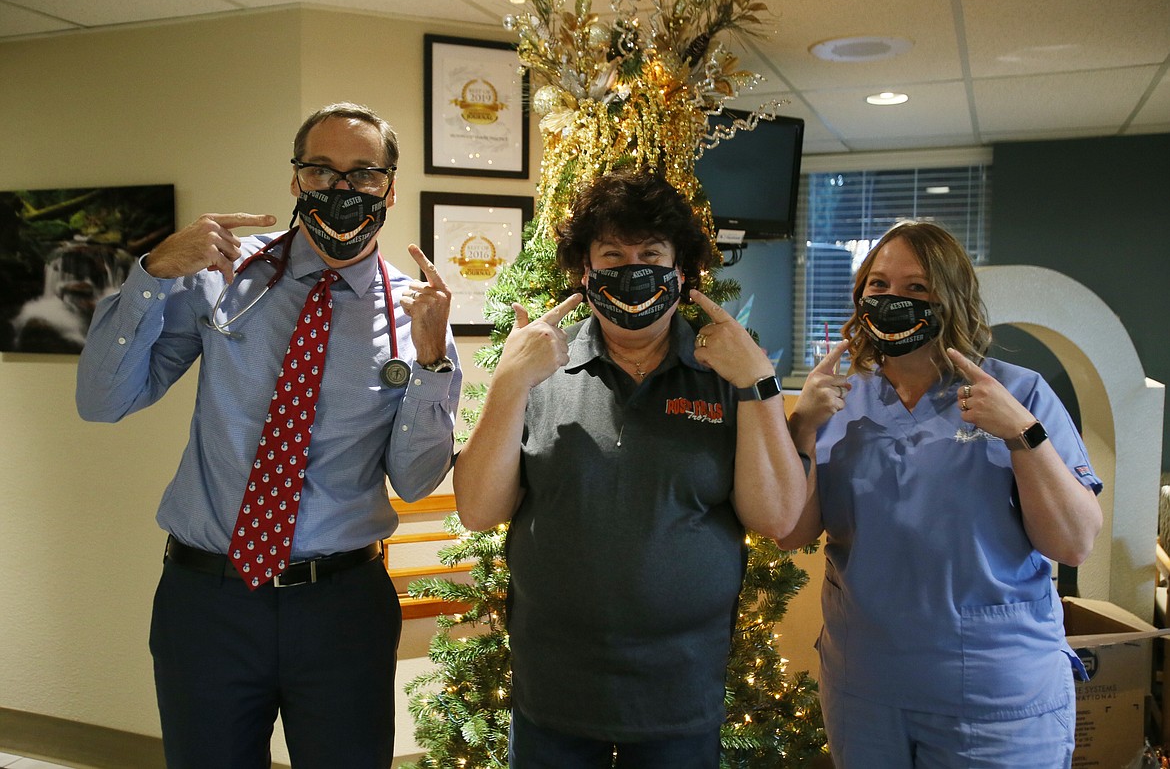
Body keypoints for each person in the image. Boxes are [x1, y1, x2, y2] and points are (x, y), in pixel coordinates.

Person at [76, 102, 461, 769]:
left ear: (390, 189)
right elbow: (102, 402)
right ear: (295, 180)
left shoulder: (416, 313)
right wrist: (154, 274)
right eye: (322, 170)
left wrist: (431, 366)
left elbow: (417, 478)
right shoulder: (223, 279)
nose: (342, 190)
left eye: (363, 175)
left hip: (342, 607)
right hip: (209, 604)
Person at [452, 169, 807, 769]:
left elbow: (775, 516)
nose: (632, 269)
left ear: (681, 272)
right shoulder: (540, 367)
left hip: (680, 692)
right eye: (612, 255)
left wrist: (760, 384)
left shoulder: (726, 374)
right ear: (584, 274)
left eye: (650, 254)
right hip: (554, 690)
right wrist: (510, 381)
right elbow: (479, 510)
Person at [780, 220, 1103, 767]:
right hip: (865, 688)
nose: (891, 300)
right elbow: (793, 531)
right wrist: (802, 430)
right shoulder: (837, 399)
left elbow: (1072, 544)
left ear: (950, 298)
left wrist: (1023, 436)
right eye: (877, 286)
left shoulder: (1018, 392)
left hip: (995, 695)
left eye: (916, 288)